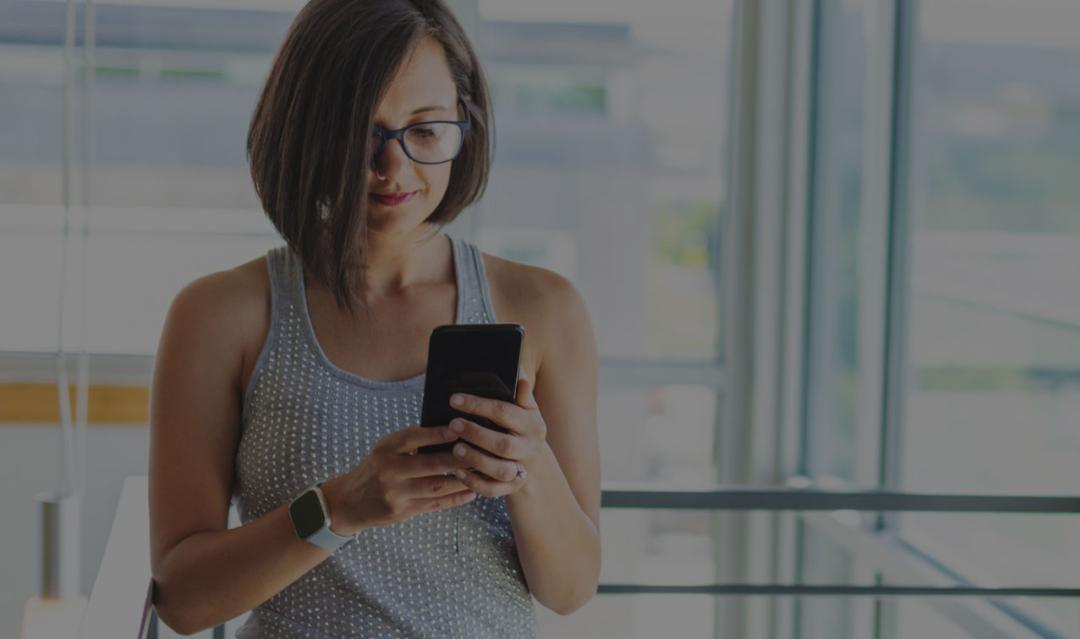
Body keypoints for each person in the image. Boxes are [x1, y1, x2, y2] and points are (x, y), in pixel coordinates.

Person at [146, 0, 601, 637]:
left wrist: (530, 471)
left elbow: (572, 589)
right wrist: (337, 508)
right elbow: (182, 598)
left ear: (463, 124)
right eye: (361, 132)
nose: (393, 168)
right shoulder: (221, 315)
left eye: (425, 129)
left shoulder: (544, 308)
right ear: (304, 131)